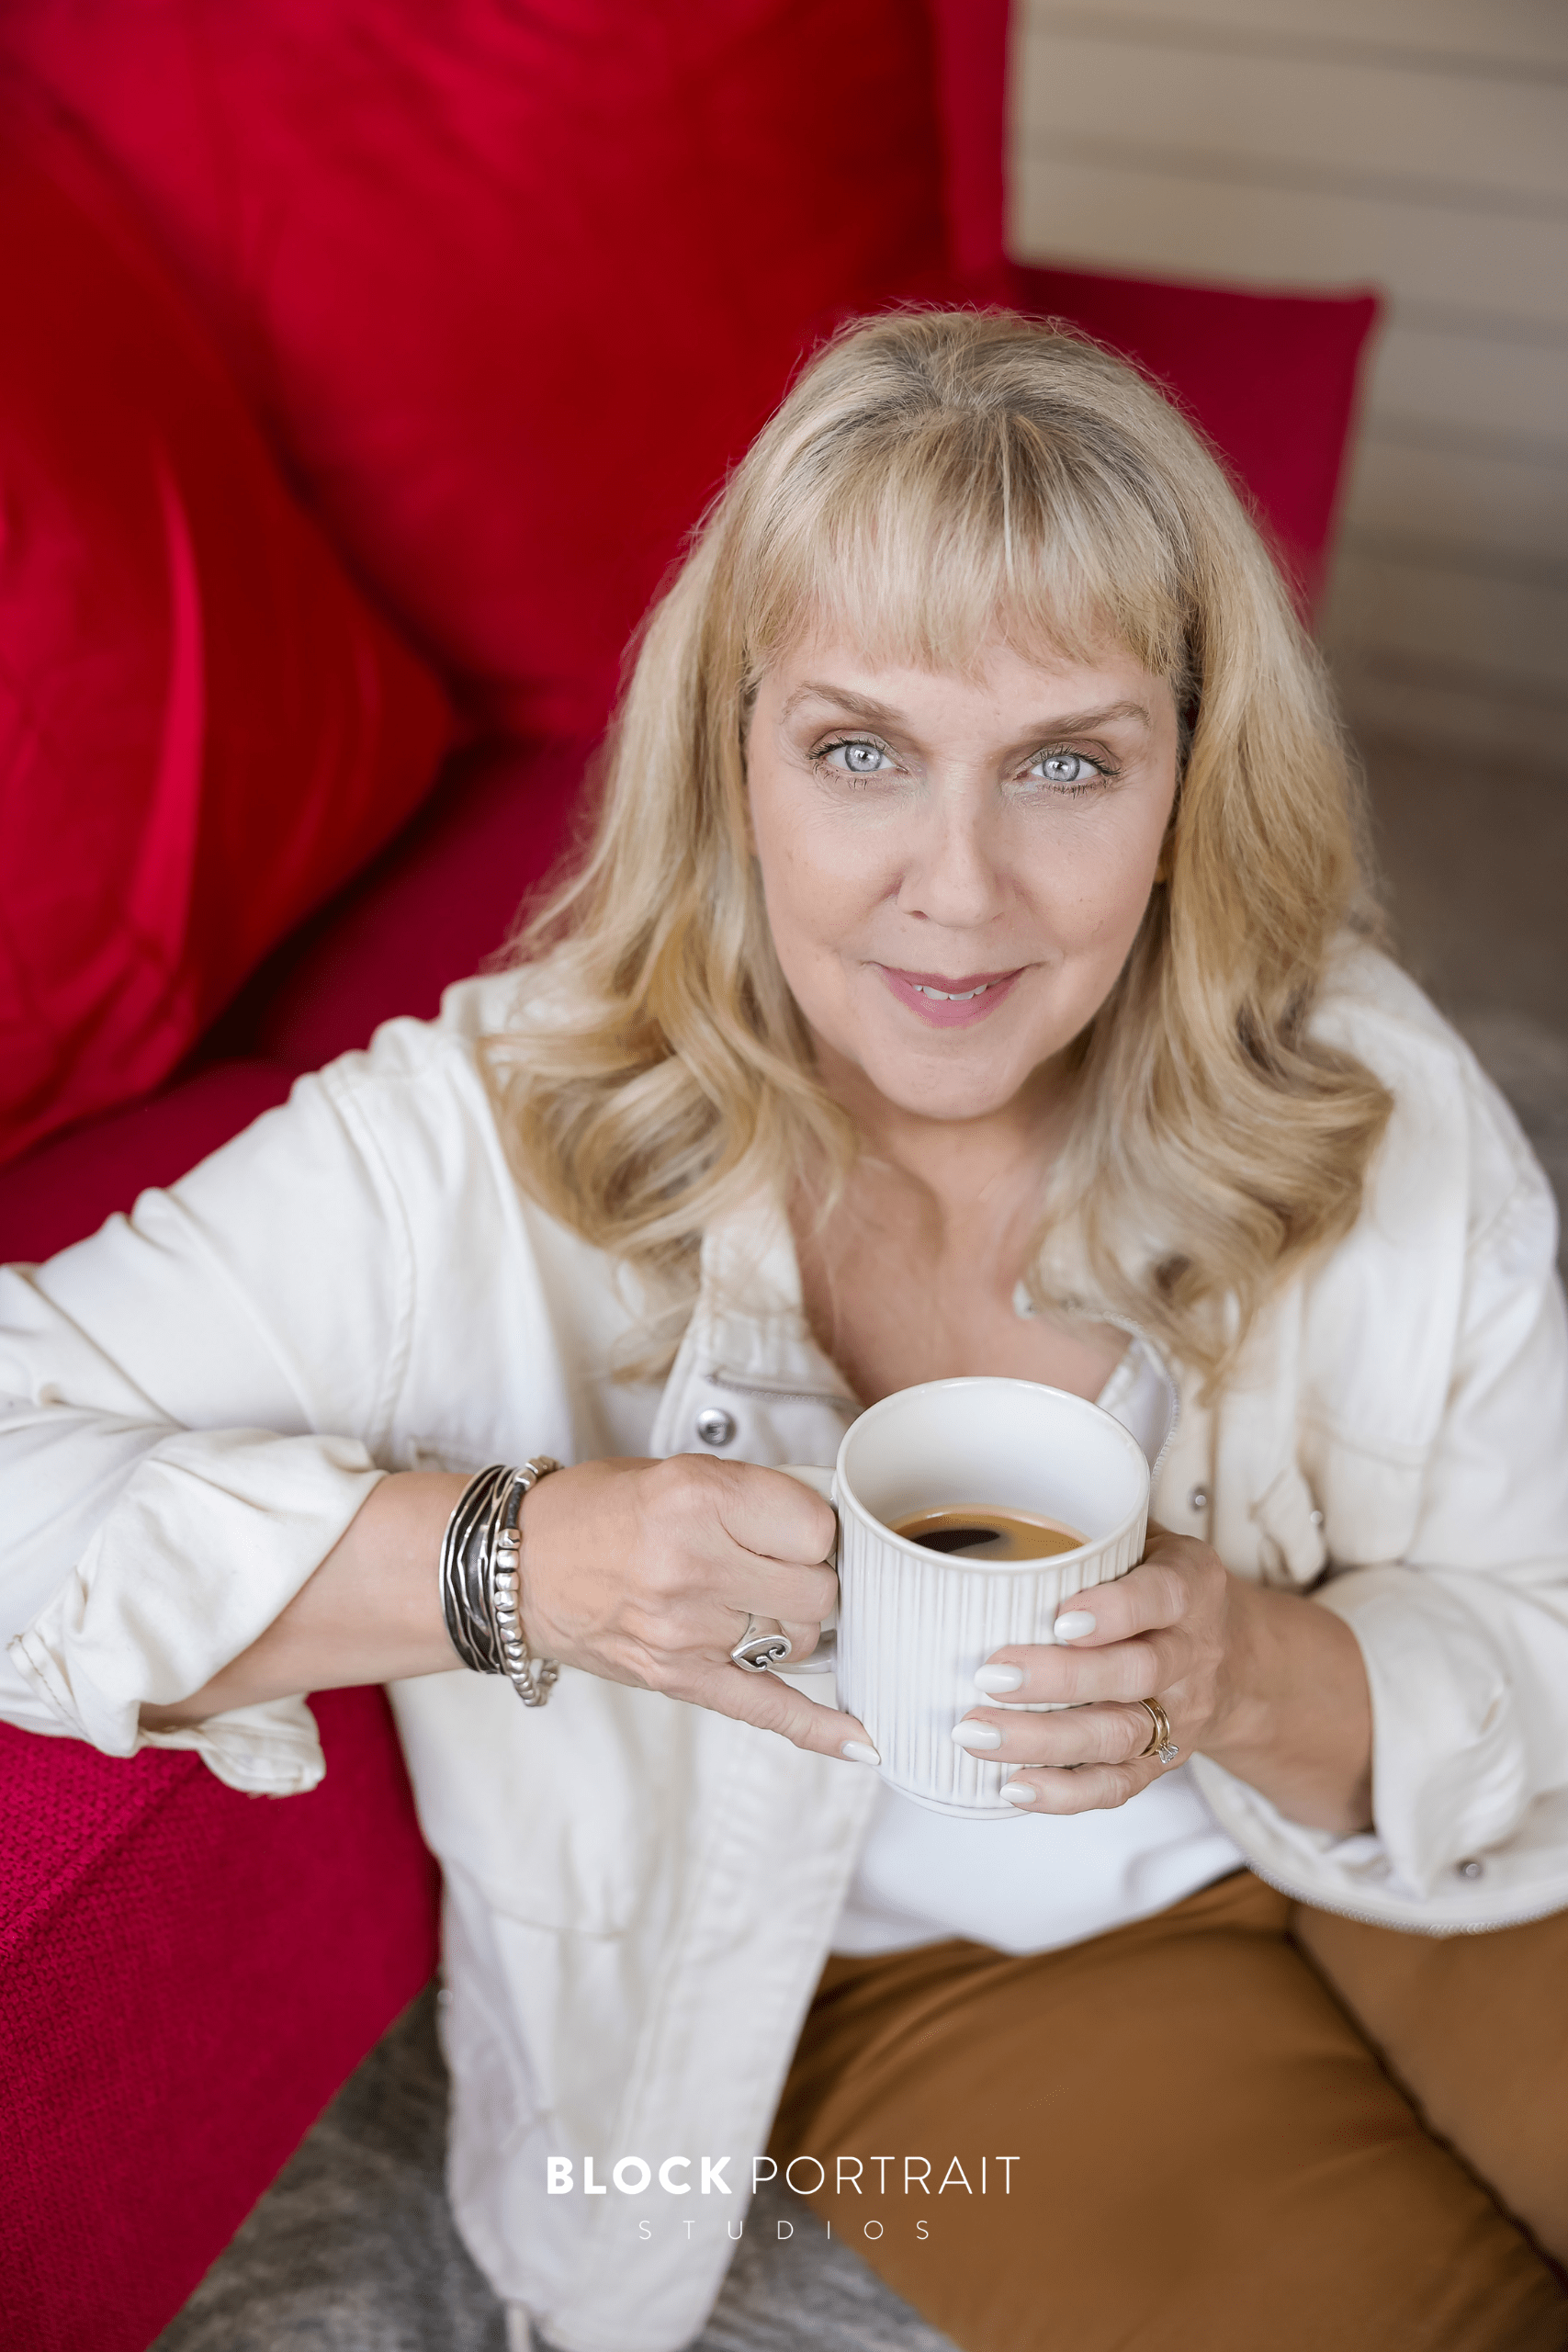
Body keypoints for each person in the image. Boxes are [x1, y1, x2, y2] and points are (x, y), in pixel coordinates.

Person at [4, 311, 1566, 2352]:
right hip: (972, 1988)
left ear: (1190, 778)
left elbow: (1539, 1609)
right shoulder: (471, 1138)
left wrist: (1255, 1663)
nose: (959, 887)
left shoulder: (1353, 1073)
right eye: (858, 751)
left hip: (1428, 1804)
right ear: (730, 748)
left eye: (1068, 763)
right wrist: (506, 1559)